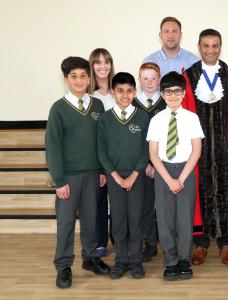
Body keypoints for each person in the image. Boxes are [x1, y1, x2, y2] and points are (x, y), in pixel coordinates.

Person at [182, 28, 228, 265]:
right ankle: (200, 244)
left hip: (226, 146)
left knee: (226, 191)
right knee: (199, 192)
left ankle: (225, 242)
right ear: (199, 47)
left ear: (221, 47)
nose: (210, 50)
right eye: (206, 45)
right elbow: (183, 111)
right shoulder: (188, 75)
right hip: (197, 148)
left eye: (215, 45)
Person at [46, 56, 110, 289]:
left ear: (89, 78)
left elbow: (101, 141)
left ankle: (91, 258)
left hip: (93, 174)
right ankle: (63, 266)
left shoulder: (97, 106)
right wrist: (59, 180)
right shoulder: (59, 108)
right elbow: (52, 146)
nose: (79, 80)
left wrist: (102, 169)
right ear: (66, 80)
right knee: (65, 223)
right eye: (74, 76)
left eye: (83, 75)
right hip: (69, 177)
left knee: (91, 220)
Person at [148, 71, 204, 281]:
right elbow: (153, 153)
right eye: (168, 92)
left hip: (186, 171)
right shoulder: (156, 120)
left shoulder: (192, 118)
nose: (173, 95)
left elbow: (196, 150)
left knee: (184, 220)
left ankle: (184, 260)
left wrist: (180, 179)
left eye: (177, 91)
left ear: (184, 93)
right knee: (164, 220)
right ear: (162, 94)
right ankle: (170, 260)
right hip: (163, 172)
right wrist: (169, 179)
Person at [97, 72, 149, 280]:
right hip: (115, 177)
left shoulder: (144, 117)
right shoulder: (105, 119)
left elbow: (147, 150)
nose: (125, 95)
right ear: (112, 92)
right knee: (118, 220)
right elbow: (101, 150)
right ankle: (121, 260)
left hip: (137, 176)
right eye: (120, 91)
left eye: (129, 91)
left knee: (136, 219)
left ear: (135, 92)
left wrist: (135, 173)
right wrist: (115, 176)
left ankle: (135, 261)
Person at [133, 62, 166, 262]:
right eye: (145, 78)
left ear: (159, 80)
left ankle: (169, 243)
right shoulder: (132, 105)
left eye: (153, 78)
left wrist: (157, 163)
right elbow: (135, 141)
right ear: (140, 80)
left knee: (165, 208)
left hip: (165, 165)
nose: (150, 82)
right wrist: (145, 163)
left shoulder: (166, 103)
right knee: (145, 208)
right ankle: (150, 243)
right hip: (142, 167)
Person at [88, 48, 116, 257]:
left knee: (118, 203)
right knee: (99, 203)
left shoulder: (120, 92)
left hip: (119, 158)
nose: (103, 66)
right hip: (98, 159)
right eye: (98, 62)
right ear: (92, 66)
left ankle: (119, 239)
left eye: (106, 61)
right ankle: (99, 241)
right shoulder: (88, 96)